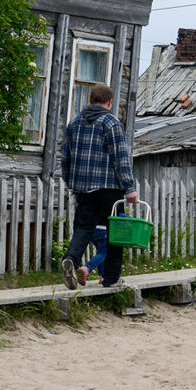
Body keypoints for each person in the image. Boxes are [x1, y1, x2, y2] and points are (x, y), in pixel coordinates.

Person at [60, 82, 138, 288]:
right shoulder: (111, 123)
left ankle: (71, 259)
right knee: (116, 230)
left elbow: (65, 157)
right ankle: (110, 277)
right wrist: (129, 187)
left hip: (82, 187)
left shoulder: (74, 123)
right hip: (109, 187)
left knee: (84, 227)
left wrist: (70, 181)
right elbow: (120, 158)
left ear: (90, 99)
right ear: (110, 102)